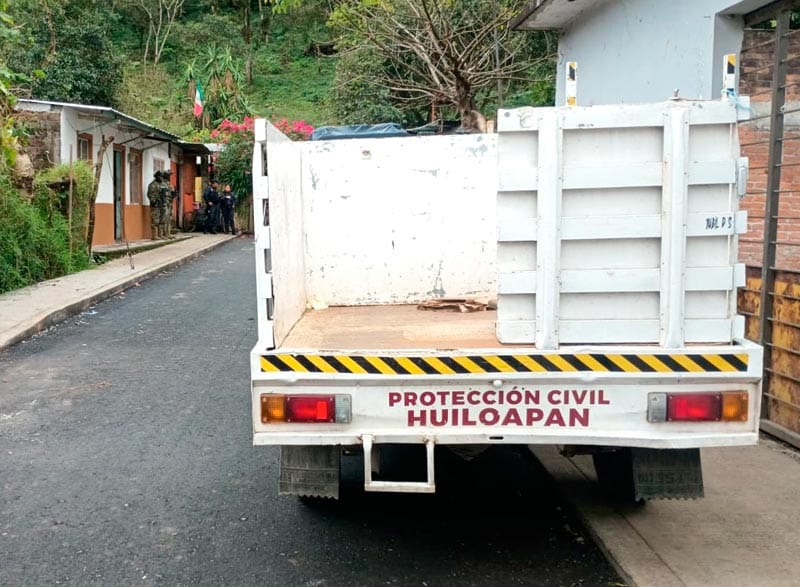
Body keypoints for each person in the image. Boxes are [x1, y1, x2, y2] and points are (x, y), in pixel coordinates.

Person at [147, 171, 165, 239]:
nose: (161, 178)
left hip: (162, 204)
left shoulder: (162, 184)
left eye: (162, 177)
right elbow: (150, 194)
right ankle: (154, 235)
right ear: (157, 177)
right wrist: (154, 201)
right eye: (160, 177)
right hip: (155, 204)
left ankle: (160, 234)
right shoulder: (152, 185)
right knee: (155, 220)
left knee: (162, 219)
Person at [160, 170, 177, 239]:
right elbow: (163, 194)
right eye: (168, 175)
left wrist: (174, 193)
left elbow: (171, 192)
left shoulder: (168, 183)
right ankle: (163, 234)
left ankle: (168, 233)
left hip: (169, 202)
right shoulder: (162, 184)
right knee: (163, 219)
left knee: (169, 219)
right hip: (164, 203)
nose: (169, 177)